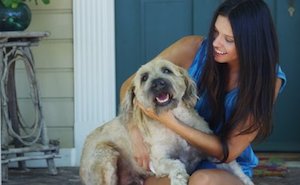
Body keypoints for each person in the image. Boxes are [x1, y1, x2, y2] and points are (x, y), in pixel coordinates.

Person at [120, 0, 287, 184]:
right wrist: (135, 135)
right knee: (124, 175)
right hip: (176, 158)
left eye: (229, 39)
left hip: (224, 165)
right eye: (215, 32)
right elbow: (128, 86)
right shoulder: (191, 48)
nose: (215, 43)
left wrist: (169, 121)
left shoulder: (268, 80)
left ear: (252, 42)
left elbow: (227, 151)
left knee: (201, 181)